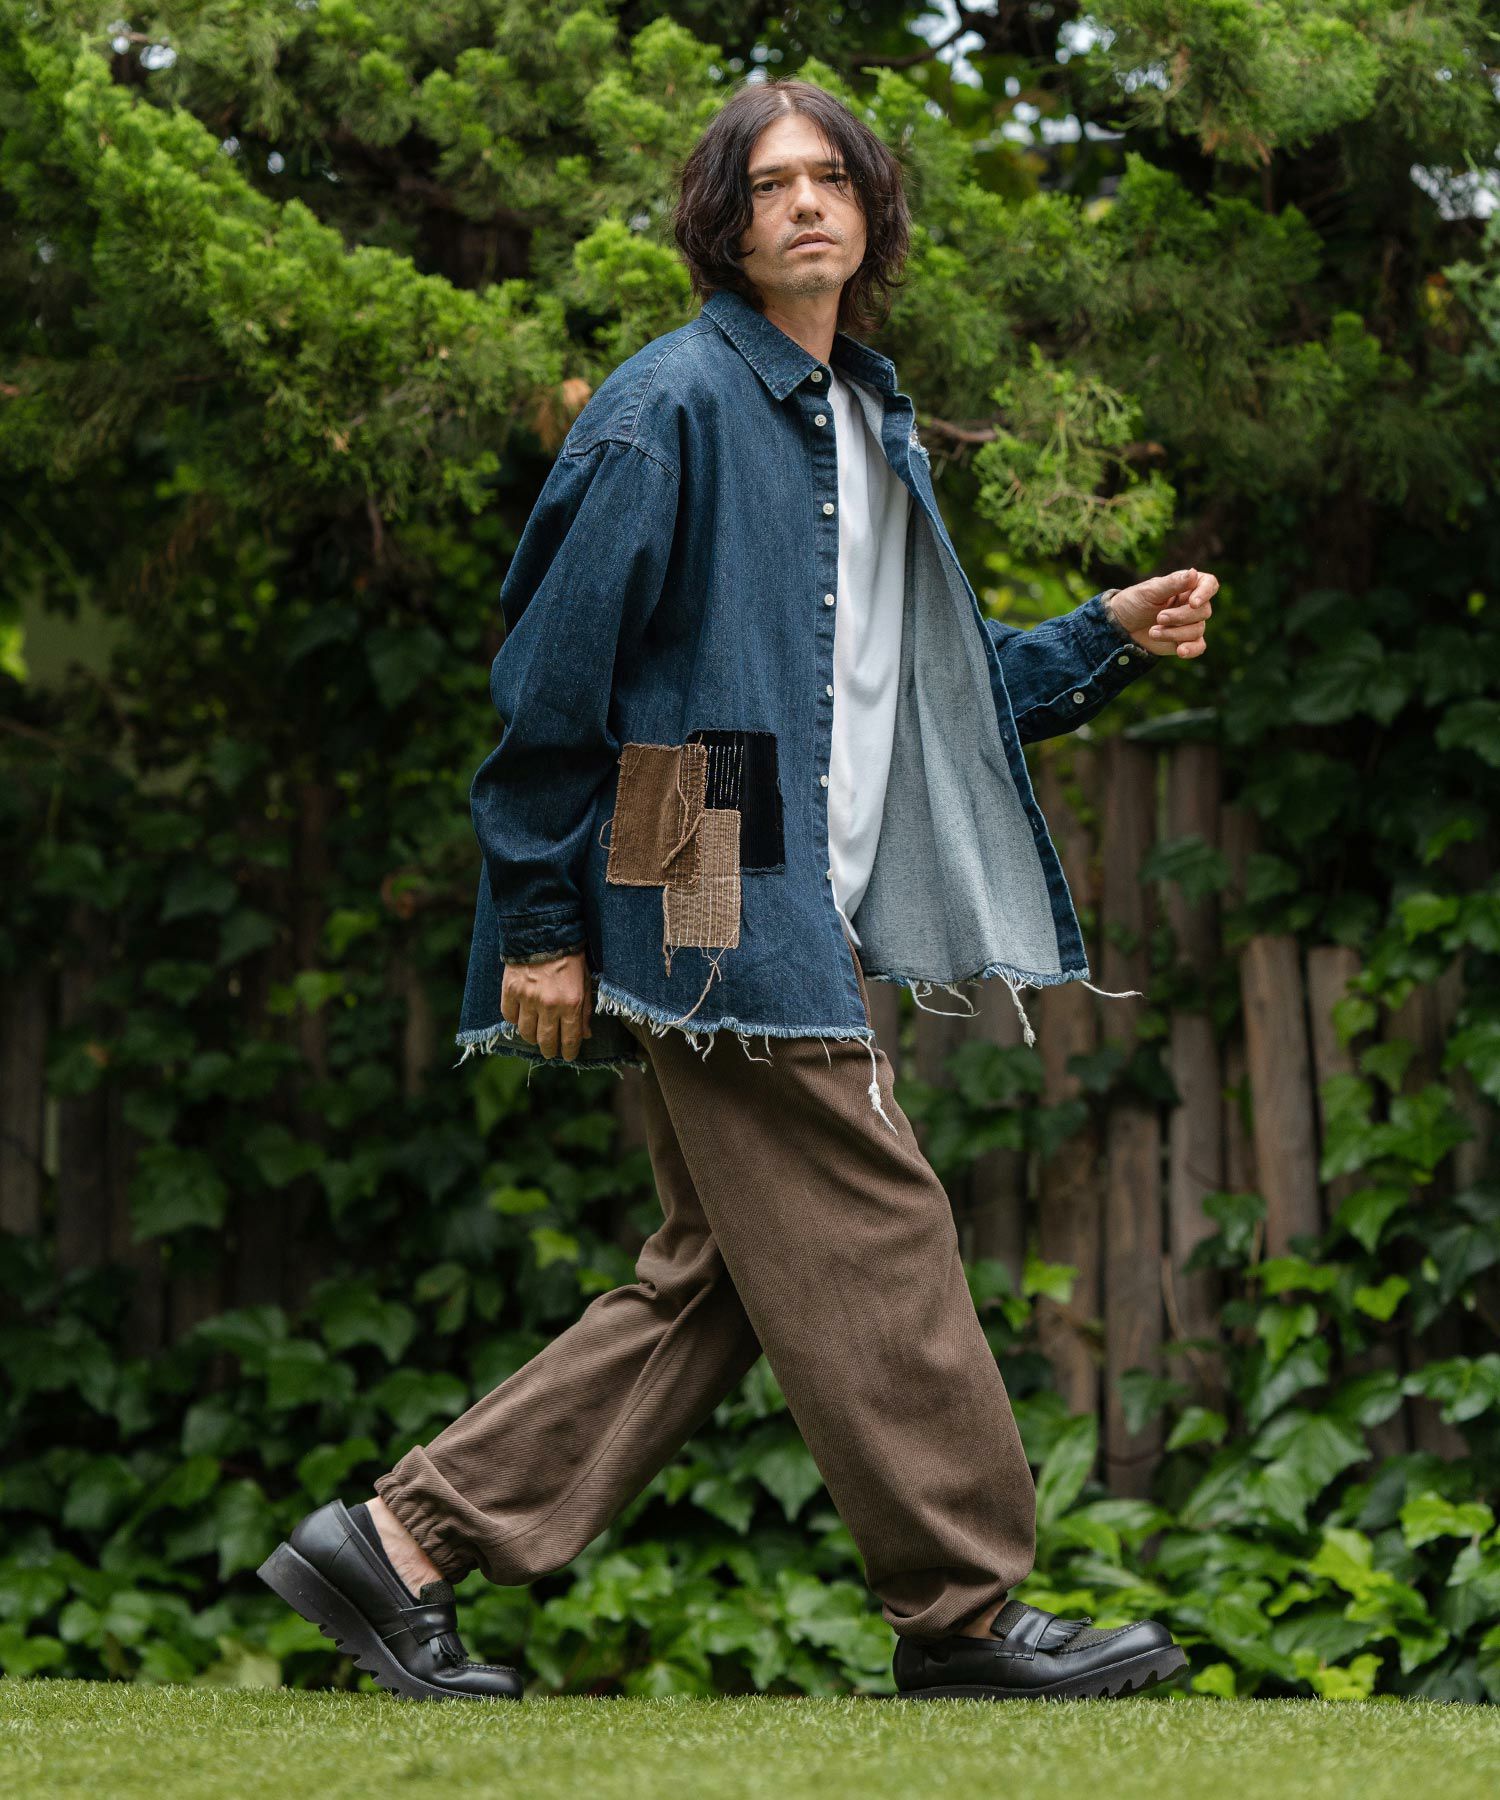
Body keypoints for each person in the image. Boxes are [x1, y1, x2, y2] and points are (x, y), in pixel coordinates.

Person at [258, 76, 1215, 1704]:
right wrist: (545, 925)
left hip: (776, 853)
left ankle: (399, 1542)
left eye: (831, 175)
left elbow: (917, 691)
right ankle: (964, 1613)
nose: (806, 201)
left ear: (871, 210)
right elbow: (550, 683)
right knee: (876, 1218)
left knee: (722, 1273)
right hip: (698, 842)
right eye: (770, 183)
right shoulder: (671, 405)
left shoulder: (864, 415)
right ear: (724, 221)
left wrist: (1100, 636)